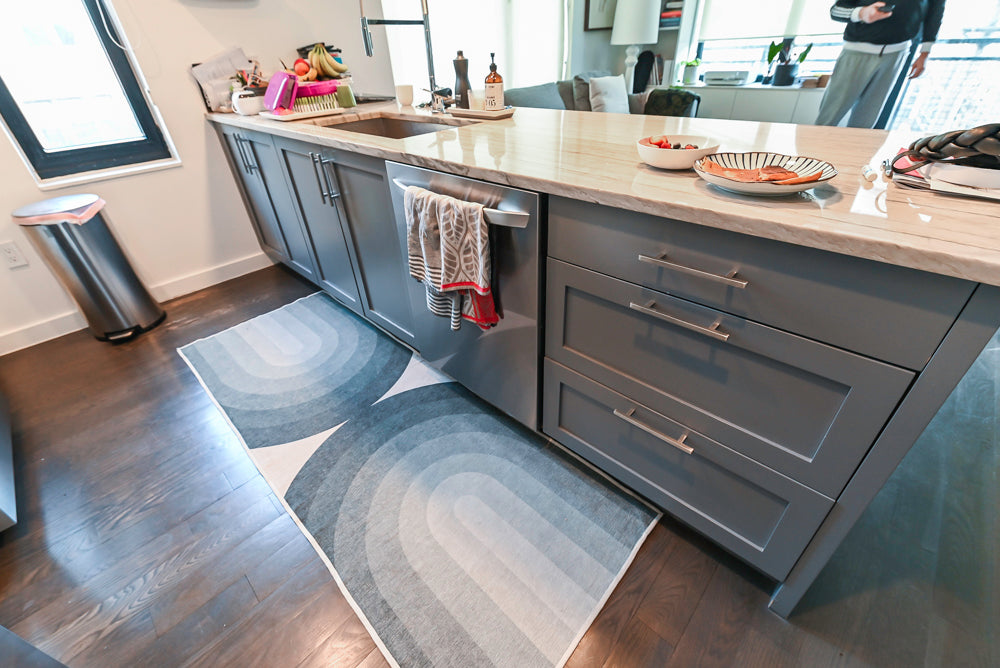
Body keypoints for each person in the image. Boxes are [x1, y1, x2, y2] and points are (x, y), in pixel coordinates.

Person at [816, 0, 947, 128]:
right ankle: (812, 149)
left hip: (897, 55)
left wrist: (925, 52)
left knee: (866, 122)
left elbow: (935, 12)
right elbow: (836, 11)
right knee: (829, 117)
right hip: (856, 51)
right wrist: (862, 13)